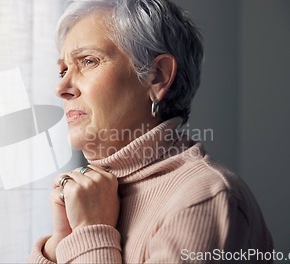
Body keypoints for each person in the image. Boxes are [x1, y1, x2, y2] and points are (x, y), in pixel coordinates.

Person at [28, 0, 273, 263]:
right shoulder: (87, 197)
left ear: (157, 76)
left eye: (88, 61)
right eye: (63, 70)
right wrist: (60, 243)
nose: (61, 87)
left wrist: (90, 233)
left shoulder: (203, 199)